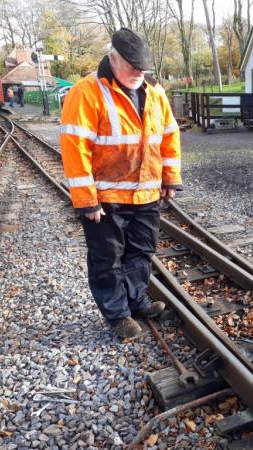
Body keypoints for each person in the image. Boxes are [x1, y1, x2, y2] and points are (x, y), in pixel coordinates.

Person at [59, 28, 182, 339]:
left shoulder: (155, 92)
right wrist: (86, 200)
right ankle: (117, 314)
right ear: (112, 58)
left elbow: (169, 136)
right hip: (106, 197)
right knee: (108, 258)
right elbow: (75, 148)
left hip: (146, 194)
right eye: (132, 66)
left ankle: (137, 301)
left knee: (141, 252)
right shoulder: (87, 92)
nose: (138, 73)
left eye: (143, 68)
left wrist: (170, 177)